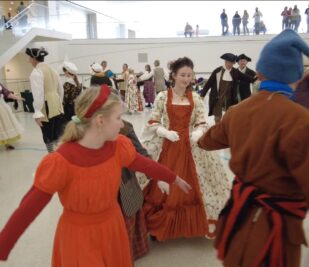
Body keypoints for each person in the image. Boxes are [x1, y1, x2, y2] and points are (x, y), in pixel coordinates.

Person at [0, 85, 191, 266]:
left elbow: (144, 164)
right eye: (118, 117)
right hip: (79, 236)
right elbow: (28, 208)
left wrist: (172, 177)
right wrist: (3, 245)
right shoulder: (61, 161)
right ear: (100, 120)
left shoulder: (118, 147)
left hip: (113, 226)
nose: (122, 123)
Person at [197, 29, 309, 267]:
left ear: (259, 73)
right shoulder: (300, 120)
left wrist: (196, 134)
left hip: (239, 218)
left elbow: (207, 141)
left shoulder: (237, 112)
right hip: (274, 232)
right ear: (298, 77)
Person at [139, 57, 230, 241]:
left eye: (189, 75)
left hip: (191, 147)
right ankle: (160, 226)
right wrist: (163, 131)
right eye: (182, 75)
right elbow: (153, 119)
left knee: (200, 182)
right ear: (173, 75)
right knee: (164, 183)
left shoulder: (195, 98)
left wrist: (198, 132)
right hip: (168, 146)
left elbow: (202, 121)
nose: (186, 79)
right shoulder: (163, 96)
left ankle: (193, 223)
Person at [119, 120, 150, 260]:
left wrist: (157, 174)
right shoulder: (82, 132)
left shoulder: (124, 128)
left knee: (127, 215)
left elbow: (139, 152)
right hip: (99, 194)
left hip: (124, 184)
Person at [26, 47, 65, 153]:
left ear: (34, 58)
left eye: (29, 58)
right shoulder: (53, 70)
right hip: (56, 105)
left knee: (47, 135)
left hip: (45, 106)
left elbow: (38, 94)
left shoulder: (36, 72)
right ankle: (59, 155)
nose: (28, 61)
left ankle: (53, 157)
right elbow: (60, 89)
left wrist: (37, 112)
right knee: (56, 132)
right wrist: (59, 103)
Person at [200, 53, 256, 123]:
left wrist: (256, 78)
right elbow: (208, 84)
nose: (231, 65)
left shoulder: (235, 72)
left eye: (232, 63)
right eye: (229, 63)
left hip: (230, 98)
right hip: (218, 98)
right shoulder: (217, 71)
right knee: (217, 117)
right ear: (225, 62)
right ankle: (218, 130)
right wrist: (202, 95)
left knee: (229, 116)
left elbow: (246, 78)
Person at [0, 82, 24, 150]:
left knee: (4, 126)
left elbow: (7, 93)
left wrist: (17, 97)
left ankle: (7, 144)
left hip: (2, 108)